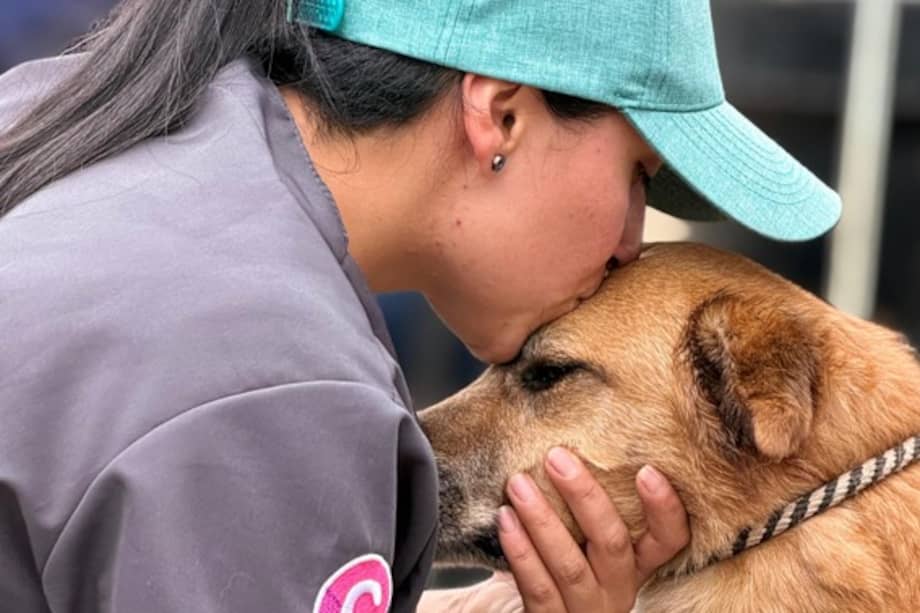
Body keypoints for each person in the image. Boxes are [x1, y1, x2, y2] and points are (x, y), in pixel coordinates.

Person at [0, 0, 841, 611]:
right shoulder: (273, 397)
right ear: (501, 115)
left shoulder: (89, 129)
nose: (631, 242)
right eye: (639, 176)